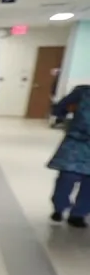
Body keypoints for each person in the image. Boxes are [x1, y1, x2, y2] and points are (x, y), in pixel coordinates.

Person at [48, 84, 90, 227]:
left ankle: (78, 214)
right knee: (67, 179)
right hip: (76, 144)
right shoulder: (83, 92)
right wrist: (63, 116)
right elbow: (60, 107)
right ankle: (59, 207)